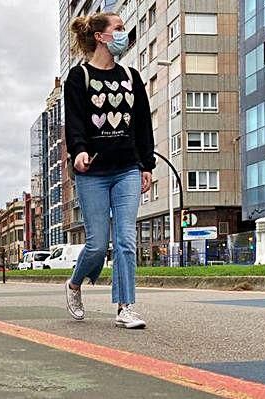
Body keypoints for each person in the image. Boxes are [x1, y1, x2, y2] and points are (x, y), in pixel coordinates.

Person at [63, 12, 155, 329]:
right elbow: (73, 121)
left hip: (127, 168)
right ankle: (74, 285)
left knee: (126, 240)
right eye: (118, 29)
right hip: (93, 173)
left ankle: (125, 307)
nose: (123, 34)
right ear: (101, 36)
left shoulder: (131, 76)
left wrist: (147, 165)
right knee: (98, 244)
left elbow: (143, 124)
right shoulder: (79, 77)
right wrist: (79, 150)